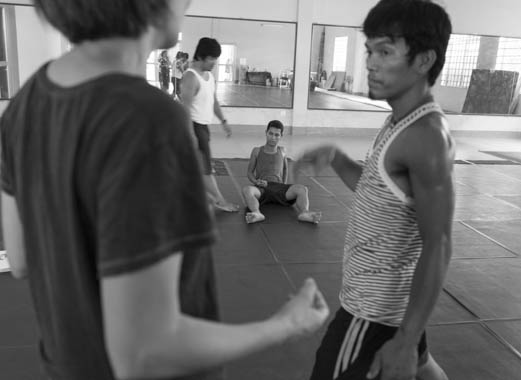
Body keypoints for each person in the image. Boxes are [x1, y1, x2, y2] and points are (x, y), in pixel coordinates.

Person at [0, 1, 330, 380]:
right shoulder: (150, 119)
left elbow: (22, 258)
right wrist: (284, 325)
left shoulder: (25, 104)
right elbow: (145, 355)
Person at [296, 1, 454, 379]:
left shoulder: (425, 137)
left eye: (385, 51)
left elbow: (439, 243)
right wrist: (336, 157)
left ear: (424, 60)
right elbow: (378, 191)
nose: (370, 62)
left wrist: (404, 337)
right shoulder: (399, 119)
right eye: (370, 50)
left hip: (372, 318)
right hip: (389, 311)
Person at [180, 37, 240, 212]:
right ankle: (220, 200)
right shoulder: (190, 77)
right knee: (206, 169)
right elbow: (185, 108)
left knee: (197, 167)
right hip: (194, 127)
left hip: (203, 128)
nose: (214, 62)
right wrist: (190, 134)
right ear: (201, 56)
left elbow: (213, 102)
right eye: (211, 58)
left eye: (216, 58)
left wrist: (224, 121)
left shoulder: (209, 77)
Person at [242, 120, 322, 224]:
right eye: (270, 134)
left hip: (280, 189)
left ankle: (304, 213)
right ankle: (257, 213)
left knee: (302, 189)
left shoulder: (283, 151)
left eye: (277, 135)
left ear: (281, 136)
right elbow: (249, 173)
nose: (273, 138)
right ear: (266, 132)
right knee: (247, 190)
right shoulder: (256, 151)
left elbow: (285, 169)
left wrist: (283, 185)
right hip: (262, 189)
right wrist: (256, 182)